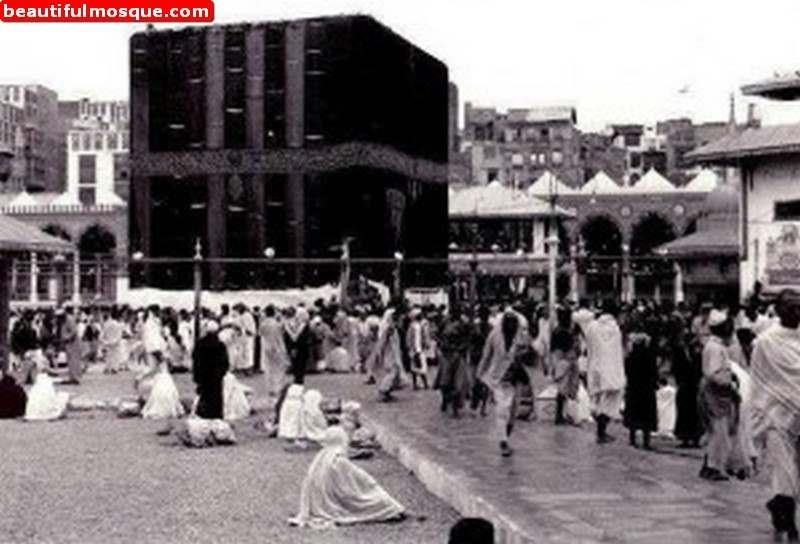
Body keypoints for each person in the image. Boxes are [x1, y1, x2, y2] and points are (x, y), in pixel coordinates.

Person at [751, 289, 800, 541]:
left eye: (799, 306)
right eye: (791, 306)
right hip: (776, 416)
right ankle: (788, 522)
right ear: (779, 310)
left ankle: (779, 508)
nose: (796, 311)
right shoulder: (765, 342)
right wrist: (758, 416)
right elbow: (758, 381)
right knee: (784, 471)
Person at [288, 426, 406, 528]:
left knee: (372, 491)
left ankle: (394, 510)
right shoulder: (337, 459)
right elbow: (353, 482)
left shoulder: (321, 456)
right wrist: (370, 483)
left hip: (323, 497)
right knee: (377, 499)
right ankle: (394, 510)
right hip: (334, 497)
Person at [477, 310, 531, 457]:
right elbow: (486, 355)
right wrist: (480, 375)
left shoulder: (520, 335)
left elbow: (528, 351)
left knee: (514, 410)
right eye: (509, 323)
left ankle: (506, 433)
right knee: (502, 409)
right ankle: (503, 441)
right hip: (499, 379)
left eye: (514, 323)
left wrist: (523, 351)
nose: (512, 326)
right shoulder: (494, 335)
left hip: (516, 378)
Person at [699, 309, 739, 482]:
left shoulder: (714, 345)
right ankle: (714, 467)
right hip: (716, 393)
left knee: (716, 430)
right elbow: (714, 373)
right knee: (718, 431)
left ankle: (709, 464)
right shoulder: (715, 348)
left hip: (714, 392)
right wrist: (729, 383)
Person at [584, 299, 626, 444]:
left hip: (595, 367)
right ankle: (601, 433)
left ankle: (600, 431)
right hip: (612, 369)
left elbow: (588, 343)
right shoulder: (615, 329)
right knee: (610, 403)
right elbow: (617, 351)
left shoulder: (592, 326)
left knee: (598, 400)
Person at [623, 327, 659, 450]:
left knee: (633, 414)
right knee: (647, 416)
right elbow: (654, 371)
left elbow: (627, 371)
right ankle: (646, 441)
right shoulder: (650, 356)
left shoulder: (631, 357)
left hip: (633, 388)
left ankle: (632, 439)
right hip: (647, 389)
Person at [435, 306, 472, 418]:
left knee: (458, 384)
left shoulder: (464, 323)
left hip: (458, 354)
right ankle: (445, 400)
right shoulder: (445, 321)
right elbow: (437, 334)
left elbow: (469, 338)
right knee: (444, 382)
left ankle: (455, 407)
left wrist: (462, 347)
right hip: (446, 355)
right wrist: (441, 344)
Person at [192, 320, 230, 420]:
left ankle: (203, 417)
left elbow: (195, 361)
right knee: (216, 399)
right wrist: (221, 373)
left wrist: (196, 377)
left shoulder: (199, 344)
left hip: (203, 377)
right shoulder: (220, 345)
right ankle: (216, 418)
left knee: (204, 397)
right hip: (216, 378)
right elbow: (225, 363)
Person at [550, 306, 580, 425]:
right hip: (566, 360)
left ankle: (562, 415)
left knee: (564, 389)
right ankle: (561, 416)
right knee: (565, 389)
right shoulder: (564, 331)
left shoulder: (558, 330)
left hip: (561, 361)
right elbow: (570, 348)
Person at [369, 308, 406, 402]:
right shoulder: (390, 329)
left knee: (395, 373)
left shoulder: (391, 328)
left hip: (392, 353)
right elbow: (383, 342)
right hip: (390, 354)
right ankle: (383, 391)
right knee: (392, 373)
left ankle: (387, 393)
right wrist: (379, 353)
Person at [260, 306, 291, 408]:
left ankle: (271, 389)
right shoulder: (277, 324)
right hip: (277, 347)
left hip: (267, 347)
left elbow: (260, 334)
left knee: (269, 369)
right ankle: (277, 388)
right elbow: (280, 336)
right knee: (278, 369)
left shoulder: (263, 324)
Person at [284, 307, 311, 385]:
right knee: (301, 365)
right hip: (303, 347)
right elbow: (307, 337)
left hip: (293, 347)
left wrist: (291, 347)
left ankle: (297, 379)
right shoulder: (304, 325)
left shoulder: (288, 325)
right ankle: (299, 380)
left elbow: (287, 337)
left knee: (295, 364)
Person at [100, 309, 125, 374]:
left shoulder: (106, 324)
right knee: (115, 355)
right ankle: (114, 368)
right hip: (115, 343)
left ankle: (107, 368)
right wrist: (115, 342)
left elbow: (102, 335)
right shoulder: (119, 325)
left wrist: (104, 342)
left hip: (108, 342)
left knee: (109, 355)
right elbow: (119, 336)